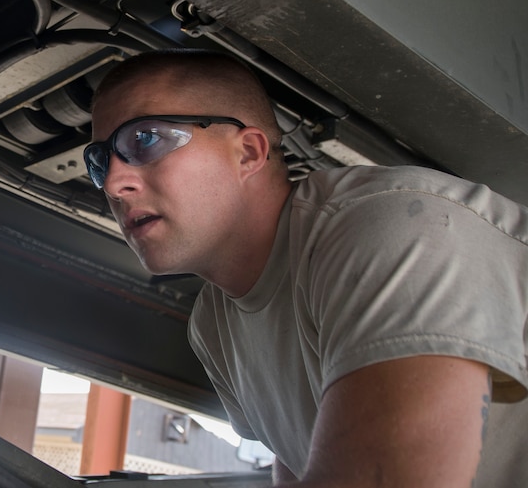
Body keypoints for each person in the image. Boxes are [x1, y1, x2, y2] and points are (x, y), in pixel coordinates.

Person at [84, 49, 528, 487]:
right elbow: (297, 454)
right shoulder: (213, 323)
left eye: (144, 140)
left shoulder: (394, 227)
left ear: (249, 153)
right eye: (100, 161)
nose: (113, 184)